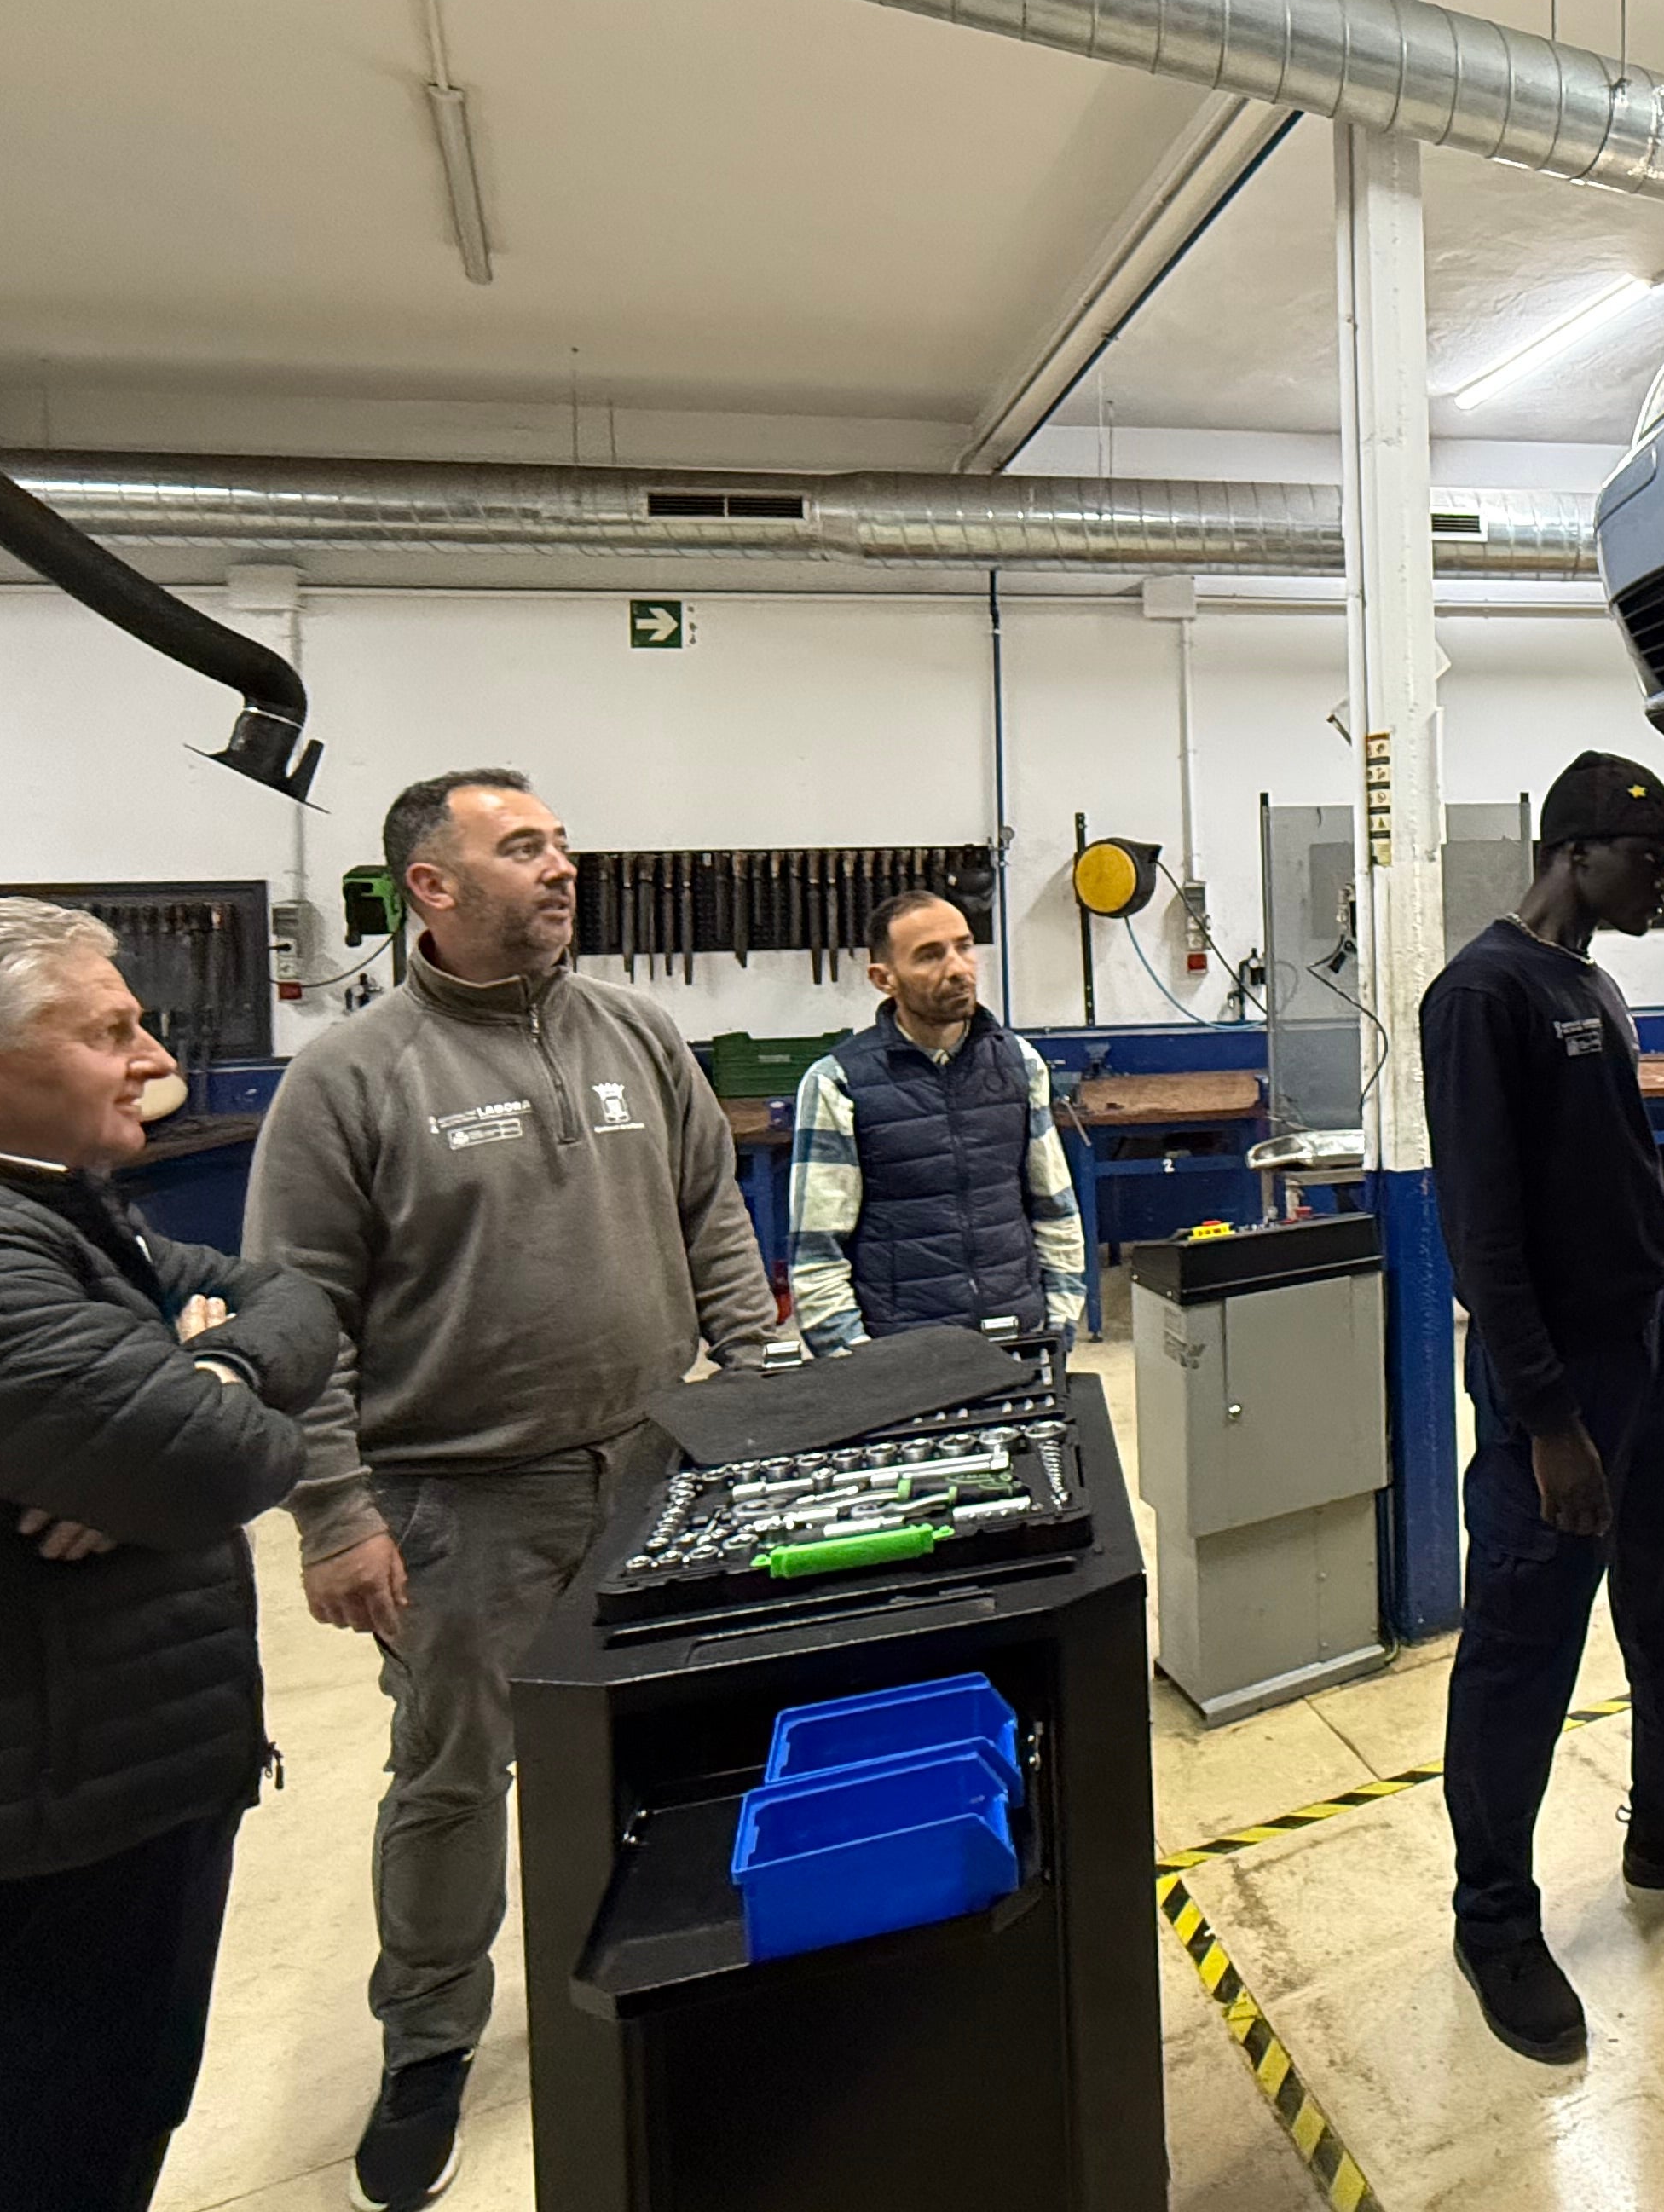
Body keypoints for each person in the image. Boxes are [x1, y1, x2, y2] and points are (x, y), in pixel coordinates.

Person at [248, 770, 784, 2212]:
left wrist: (761, 1391)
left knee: (677, 1740)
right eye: (525, 846)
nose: (562, 867)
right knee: (451, 1777)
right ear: (431, 884)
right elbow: (298, 1320)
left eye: (562, 845)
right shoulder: (352, 1076)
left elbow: (712, 1219)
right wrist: (334, 1512)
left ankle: (675, 1973)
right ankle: (427, 2041)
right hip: (459, 1504)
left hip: (656, 1467)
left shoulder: (634, 1031)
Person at [0, 898, 337, 2212]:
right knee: (8, 2166)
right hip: (20, 1839)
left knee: (97, 2136)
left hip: (94, 1782)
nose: (152, 1059)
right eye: (108, 1032)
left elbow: (289, 1298)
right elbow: (217, 1465)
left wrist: (212, 1366)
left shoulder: (42, 1206)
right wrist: (182, 1417)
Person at [1422, 749, 1664, 2063]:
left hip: (1647, 1359)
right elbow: (1483, 1234)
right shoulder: (1480, 994)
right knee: (1522, 1654)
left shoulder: (1593, 984)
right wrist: (1548, 1423)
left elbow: (1636, 1188)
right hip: (1561, 1383)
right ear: (1574, 853)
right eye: (1650, 861)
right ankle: (1493, 1919)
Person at [787, 889, 1084, 1352]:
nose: (958, 968)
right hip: (904, 1356)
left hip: (1018, 1338)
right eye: (930, 955)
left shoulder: (1019, 1063)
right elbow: (817, 1252)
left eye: (964, 947)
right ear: (883, 978)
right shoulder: (838, 1082)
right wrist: (855, 1360)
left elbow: (1056, 1210)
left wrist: (1058, 1327)